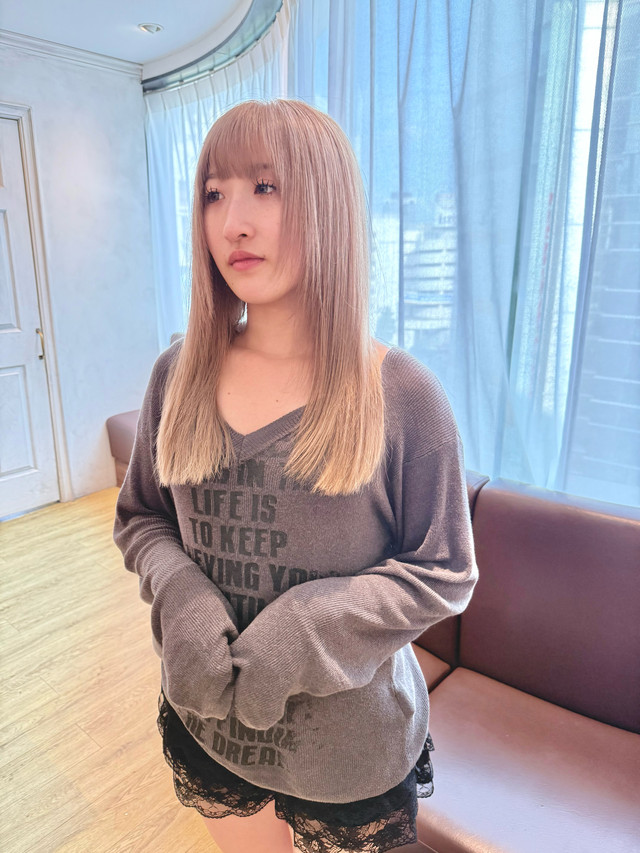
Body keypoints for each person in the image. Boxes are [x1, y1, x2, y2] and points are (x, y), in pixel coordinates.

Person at [114, 98, 478, 853]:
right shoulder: (176, 374)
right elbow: (142, 515)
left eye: (265, 188)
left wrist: (305, 627)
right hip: (210, 728)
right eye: (214, 193)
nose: (232, 223)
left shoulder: (403, 395)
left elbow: (443, 571)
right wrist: (181, 595)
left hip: (350, 755)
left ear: (329, 204)